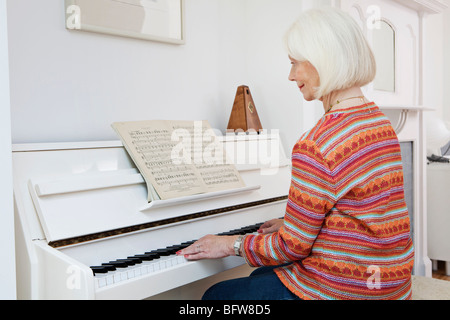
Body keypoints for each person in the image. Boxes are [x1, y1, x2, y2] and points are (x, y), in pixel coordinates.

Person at [177, 6, 414, 300]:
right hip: (391, 281)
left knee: (216, 296)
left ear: (322, 60)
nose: (291, 76)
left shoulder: (316, 144)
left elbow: (291, 247)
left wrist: (229, 244)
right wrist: (294, 225)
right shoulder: (379, 122)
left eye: (294, 63)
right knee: (259, 276)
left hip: (346, 289)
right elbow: (361, 211)